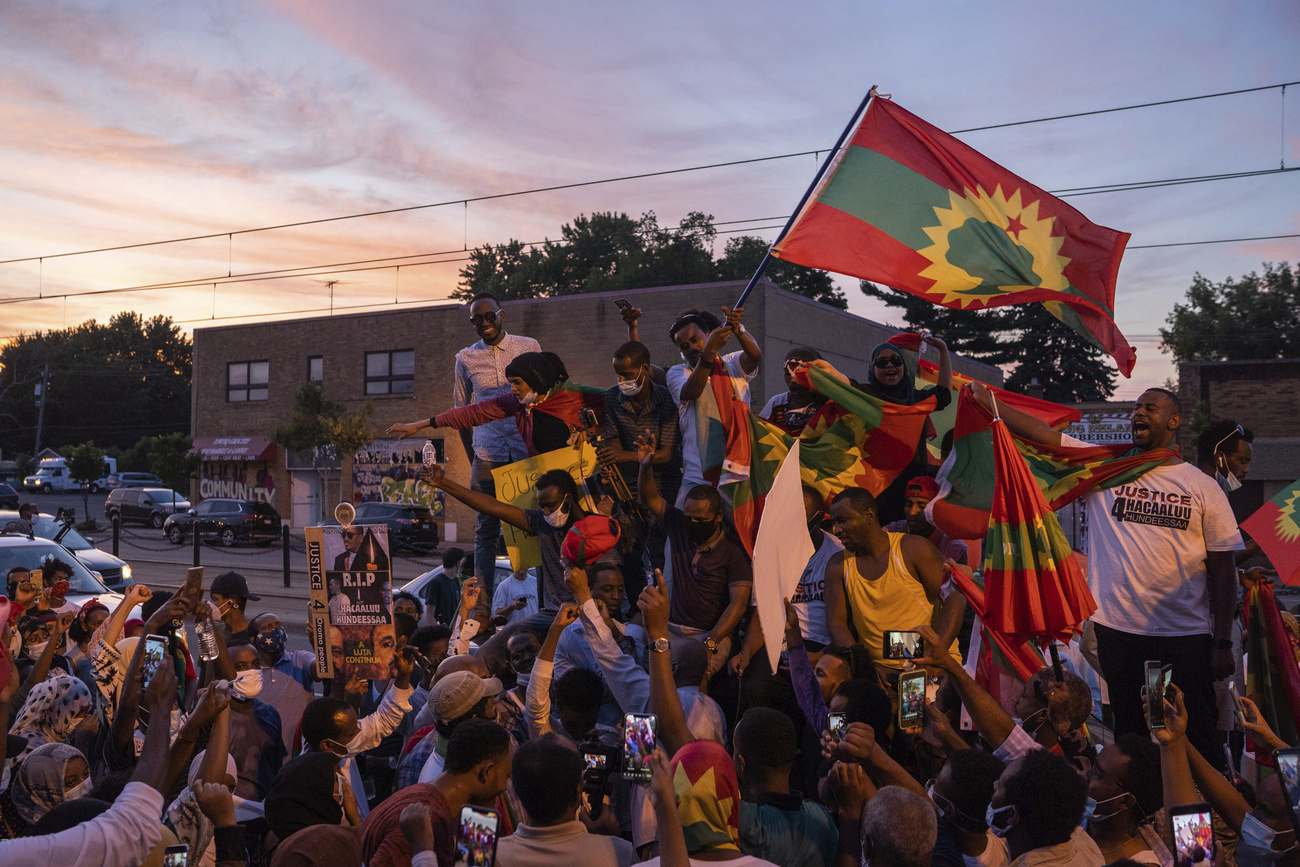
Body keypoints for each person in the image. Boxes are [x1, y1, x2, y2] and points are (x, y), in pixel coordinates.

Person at [972, 381, 1242, 764]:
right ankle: (1144, 813)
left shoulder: (1202, 487)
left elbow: (1223, 568)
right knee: (1132, 733)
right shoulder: (1102, 469)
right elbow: (1047, 436)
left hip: (1182, 636)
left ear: (1174, 421)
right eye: (1137, 406)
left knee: (1194, 731)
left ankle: (1210, 816)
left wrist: (1222, 643)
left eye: (1151, 407)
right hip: (1119, 633)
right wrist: (989, 400)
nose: (1140, 412)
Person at [389, 292, 540, 596]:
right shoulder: (465, 358)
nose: (484, 323)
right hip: (487, 450)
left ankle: (539, 590)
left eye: (489, 316)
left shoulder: (529, 346)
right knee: (486, 528)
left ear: (502, 315)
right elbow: (460, 412)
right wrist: (473, 456)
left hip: (526, 448)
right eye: (476, 319)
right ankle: (483, 598)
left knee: (534, 524)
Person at [638, 434, 752, 678]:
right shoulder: (679, 525)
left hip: (711, 635)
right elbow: (650, 499)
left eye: (701, 520)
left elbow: (738, 604)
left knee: (692, 678)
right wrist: (645, 466)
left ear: (718, 517)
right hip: (669, 630)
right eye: (689, 518)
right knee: (650, 669)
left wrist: (709, 643)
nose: (692, 524)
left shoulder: (733, 551)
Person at [822, 487, 966, 679]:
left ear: (869, 516)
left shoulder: (913, 549)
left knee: (918, 707)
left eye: (842, 521)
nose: (836, 530)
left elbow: (955, 597)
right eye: (833, 522)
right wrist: (866, 668)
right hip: (879, 671)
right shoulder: (837, 565)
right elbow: (836, 623)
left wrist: (935, 654)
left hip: (931, 667)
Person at [361, 718, 513, 867]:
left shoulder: (426, 799)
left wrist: (478, 838)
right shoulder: (421, 827)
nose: (504, 787)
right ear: (487, 772)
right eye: (506, 776)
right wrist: (423, 851)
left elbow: (474, 863)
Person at [497, 732, 639, 867]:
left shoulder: (491, 855)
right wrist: (608, 844)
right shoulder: (622, 855)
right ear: (578, 790)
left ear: (517, 791)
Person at [666, 306, 762, 503]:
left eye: (695, 340)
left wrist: (738, 330)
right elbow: (691, 391)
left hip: (739, 472)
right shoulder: (678, 372)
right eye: (684, 346)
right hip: (696, 477)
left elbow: (754, 357)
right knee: (681, 532)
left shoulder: (732, 362)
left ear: (709, 334)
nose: (691, 348)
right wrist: (708, 352)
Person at [601, 339, 683, 508]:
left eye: (627, 374)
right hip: (629, 485)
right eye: (618, 374)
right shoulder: (612, 397)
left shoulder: (667, 399)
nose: (621, 380)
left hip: (663, 485)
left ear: (644, 369)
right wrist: (610, 463)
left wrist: (623, 456)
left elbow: (667, 454)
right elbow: (614, 442)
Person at [415, 670, 504, 784]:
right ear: (475, 720)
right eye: (491, 705)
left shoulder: (458, 756)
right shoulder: (458, 780)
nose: (496, 709)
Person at [225, 639, 287, 801]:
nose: (251, 671)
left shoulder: (270, 713)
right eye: (240, 667)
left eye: (255, 664)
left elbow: (275, 767)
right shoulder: (215, 715)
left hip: (263, 808)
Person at [249, 613, 318, 753]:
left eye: (279, 625)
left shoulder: (300, 660)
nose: (276, 630)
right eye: (268, 627)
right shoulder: (250, 673)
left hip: (298, 755)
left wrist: (319, 645)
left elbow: (321, 672)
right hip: (262, 756)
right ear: (253, 639)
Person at [882, 476, 969, 567]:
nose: (912, 512)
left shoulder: (954, 549)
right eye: (908, 504)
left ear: (936, 508)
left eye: (922, 506)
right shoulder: (893, 532)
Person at [760, 348, 830, 436]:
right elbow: (759, 432)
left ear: (814, 375)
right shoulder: (776, 403)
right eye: (788, 374)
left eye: (798, 374)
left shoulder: (828, 405)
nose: (792, 380)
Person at [209, 570, 260, 643]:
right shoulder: (217, 632)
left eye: (214, 599)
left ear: (230, 603)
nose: (211, 604)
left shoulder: (250, 640)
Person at [423, 547, 466, 627]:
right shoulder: (436, 583)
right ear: (458, 563)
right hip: (442, 633)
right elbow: (429, 616)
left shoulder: (457, 582)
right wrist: (438, 631)